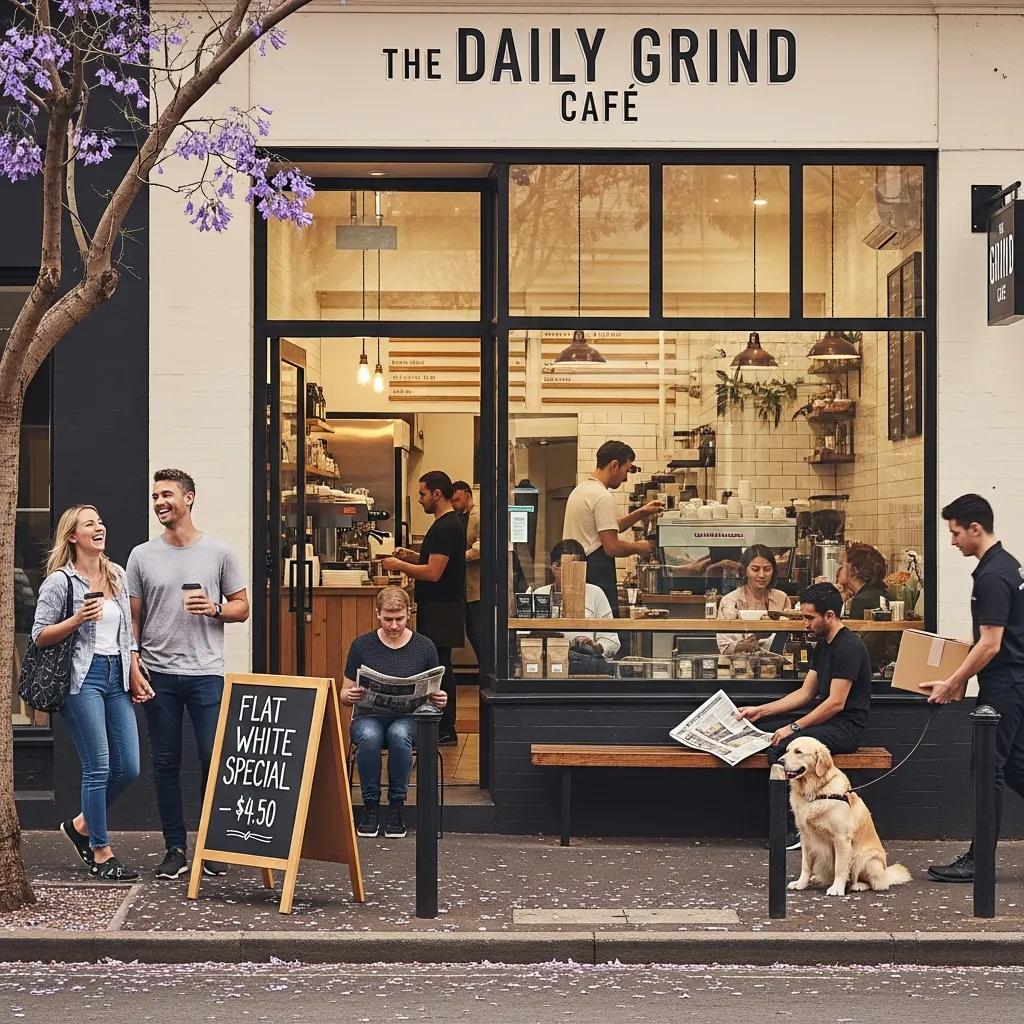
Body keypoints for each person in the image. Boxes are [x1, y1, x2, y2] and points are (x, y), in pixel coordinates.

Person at [126, 469, 249, 881]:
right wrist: (134, 661)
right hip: (159, 673)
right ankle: (175, 848)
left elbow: (242, 607)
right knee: (165, 762)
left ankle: (213, 845)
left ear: (189, 498)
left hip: (206, 674)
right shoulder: (142, 556)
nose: (159, 502)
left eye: (167, 495)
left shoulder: (219, 552)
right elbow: (134, 621)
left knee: (214, 759)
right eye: (155, 496)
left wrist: (214, 608)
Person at [32, 505, 141, 881]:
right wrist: (77, 619)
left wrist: (135, 670)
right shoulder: (60, 582)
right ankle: (100, 850)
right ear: (73, 537)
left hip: (116, 676)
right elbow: (39, 635)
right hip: (83, 679)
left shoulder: (117, 574)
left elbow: (127, 633)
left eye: (100, 522)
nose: (99, 527)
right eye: (89, 524)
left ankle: (79, 825)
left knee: (128, 767)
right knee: (98, 766)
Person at [922, 494, 1024, 883]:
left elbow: (991, 643)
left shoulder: (993, 575)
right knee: (1014, 768)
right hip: (1014, 682)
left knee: (987, 770)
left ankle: (979, 861)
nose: (952, 542)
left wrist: (954, 681)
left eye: (955, 533)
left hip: (1004, 686)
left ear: (975, 529)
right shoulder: (1008, 566)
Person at [736, 582, 873, 848]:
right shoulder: (823, 645)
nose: (805, 624)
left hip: (846, 728)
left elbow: (835, 703)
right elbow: (806, 693)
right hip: (830, 722)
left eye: (810, 617)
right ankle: (797, 822)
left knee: (782, 750)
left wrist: (794, 728)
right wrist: (760, 711)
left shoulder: (849, 647)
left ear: (830, 616)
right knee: (771, 735)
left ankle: (792, 830)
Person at [341, 587, 447, 839]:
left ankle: (397, 805)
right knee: (368, 735)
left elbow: (435, 693)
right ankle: (370, 806)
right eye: (388, 619)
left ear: (409, 613)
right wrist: (351, 695)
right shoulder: (362, 645)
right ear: (377, 614)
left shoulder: (424, 646)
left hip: (410, 718)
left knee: (400, 734)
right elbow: (344, 694)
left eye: (399, 618)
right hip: (370, 716)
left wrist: (440, 699)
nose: (394, 625)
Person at [382, 470, 465, 746]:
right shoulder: (446, 524)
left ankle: (444, 727)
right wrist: (412, 555)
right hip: (442, 605)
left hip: (442, 606)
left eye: (422, 494)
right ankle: (441, 725)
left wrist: (400, 566)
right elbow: (436, 561)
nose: (420, 500)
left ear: (437, 494)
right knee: (440, 664)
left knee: (441, 666)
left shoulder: (445, 526)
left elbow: (433, 572)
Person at [562, 440, 664, 616]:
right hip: (594, 572)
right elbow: (612, 547)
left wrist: (641, 512)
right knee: (604, 632)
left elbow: (607, 526)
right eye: (626, 470)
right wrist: (643, 547)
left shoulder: (581, 490)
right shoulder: (602, 496)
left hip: (577, 571)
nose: (625, 478)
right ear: (614, 465)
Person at [534, 540, 620, 668]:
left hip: (585, 663)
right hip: (549, 663)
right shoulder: (540, 594)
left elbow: (611, 641)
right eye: (560, 565)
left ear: (583, 567)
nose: (567, 571)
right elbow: (526, 637)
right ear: (552, 566)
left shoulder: (595, 593)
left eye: (575, 566)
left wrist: (594, 646)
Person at [716, 544, 791, 654]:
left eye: (767, 569)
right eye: (755, 569)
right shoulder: (730, 600)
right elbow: (724, 646)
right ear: (744, 570)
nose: (762, 575)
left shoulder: (781, 598)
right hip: (737, 665)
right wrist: (743, 645)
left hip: (773, 666)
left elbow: (787, 638)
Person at [451, 480, 483, 672]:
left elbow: (480, 547)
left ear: (467, 494)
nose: (454, 503)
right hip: (466, 585)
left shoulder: (478, 515)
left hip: (477, 585)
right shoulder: (460, 516)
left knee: (477, 632)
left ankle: (485, 672)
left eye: (456, 498)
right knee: (471, 631)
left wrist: (455, 558)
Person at [839, 542, 889, 620]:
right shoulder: (879, 592)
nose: (839, 570)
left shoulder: (862, 600)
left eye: (843, 566)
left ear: (854, 570)